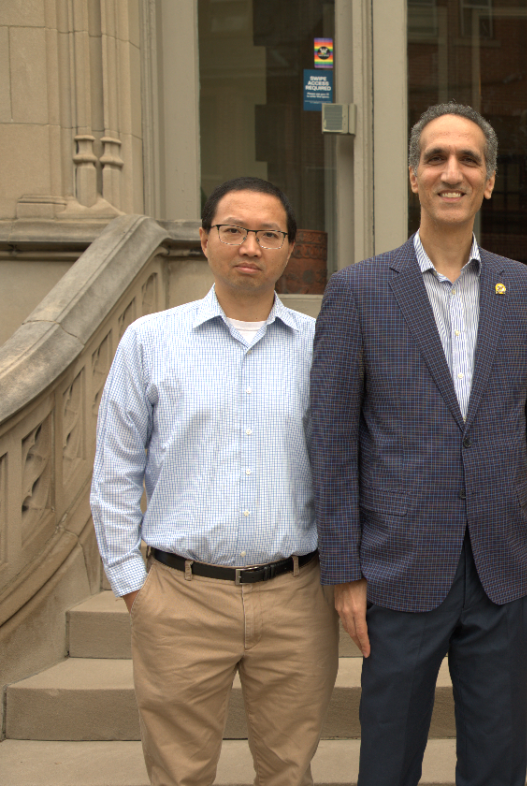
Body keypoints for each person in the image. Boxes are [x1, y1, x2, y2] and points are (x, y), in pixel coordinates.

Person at [309, 102, 527, 786]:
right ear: (412, 176)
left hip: (502, 567)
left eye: (468, 160)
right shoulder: (359, 290)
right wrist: (342, 567)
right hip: (397, 570)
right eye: (436, 158)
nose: (451, 172)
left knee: (496, 760)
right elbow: (332, 440)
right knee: (389, 760)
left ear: (488, 182)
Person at [90, 176, 338, 786]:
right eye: (233, 230)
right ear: (205, 240)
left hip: (297, 598)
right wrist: (132, 584)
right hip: (179, 596)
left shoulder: (322, 346)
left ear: (289, 247)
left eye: (267, 233)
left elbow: (348, 463)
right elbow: (114, 471)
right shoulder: (150, 341)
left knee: (289, 770)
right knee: (178, 773)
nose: (249, 246)